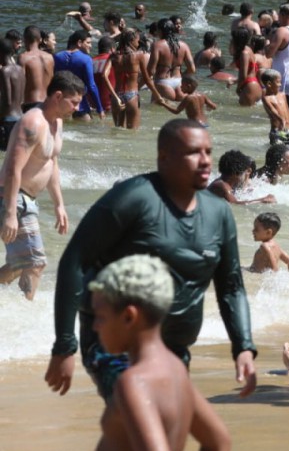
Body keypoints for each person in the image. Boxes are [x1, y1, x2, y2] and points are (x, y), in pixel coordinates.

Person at [46, 119, 258, 401]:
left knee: (166, 431)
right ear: (164, 158)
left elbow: (231, 287)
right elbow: (74, 261)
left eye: (208, 152)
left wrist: (243, 346)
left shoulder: (218, 213)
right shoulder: (132, 198)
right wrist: (64, 345)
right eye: (193, 152)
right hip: (115, 344)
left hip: (172, 349)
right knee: (140, 415)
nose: (206, 161)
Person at [87, 255, 231, 451]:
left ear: (129, 316)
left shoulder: (134, 382)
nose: (95, 326)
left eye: (101, 317)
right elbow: (218, 444)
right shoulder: (175, 368)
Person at [0, 72, 83, 299]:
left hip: (28, 200)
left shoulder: (56, 123)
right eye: (74, 102)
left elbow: (51, 163)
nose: (77, 108)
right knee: (35, 262)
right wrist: (9, 213)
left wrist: (59, 205)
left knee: (20, 264)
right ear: (58, 96)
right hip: (12, 197)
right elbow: (12, 170)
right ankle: (28, 311)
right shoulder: (32, 123)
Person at [52, 30, 104, 121]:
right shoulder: (86, 59)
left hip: (60, 104)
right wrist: (100, 109)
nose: (90, 46)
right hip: (80, 105)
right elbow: (91, 86)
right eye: (88, 43)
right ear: (79, 43)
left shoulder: (57, 57)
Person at [207, 150, 275, 207]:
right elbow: (235, 204)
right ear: (236, 174)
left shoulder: (225, 182)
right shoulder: (222, 186)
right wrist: (262, 200)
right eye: (245, 172)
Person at [260, 69, 289, 146]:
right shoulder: (266, 98)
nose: (280, 84)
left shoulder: (282, 95)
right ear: (269, 84)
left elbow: (288, 113)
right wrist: (281, 120)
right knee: (279, 153)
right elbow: (272, 111)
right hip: (278, 131)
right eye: (278, 82)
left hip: (288, 130)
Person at [19, 25, 55, 112]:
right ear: (40, 40)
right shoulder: (50, 57)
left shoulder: (23, 58)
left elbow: (20, 84)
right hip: (48, 103)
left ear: (24, 40)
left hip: (31, 104)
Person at [0, 39, 25, 150]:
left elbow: (8, 101)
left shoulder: (4, 71)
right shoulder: (20, 69)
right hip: (20, 117)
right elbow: (21, 98)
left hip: (7, 120)